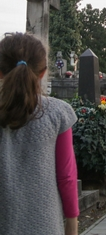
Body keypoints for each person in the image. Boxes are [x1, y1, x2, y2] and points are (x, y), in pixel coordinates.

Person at [0, 33, 79, 235]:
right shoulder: (57, 113)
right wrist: (71, 223)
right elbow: (66, 176)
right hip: (43, 223)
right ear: (43, 72)